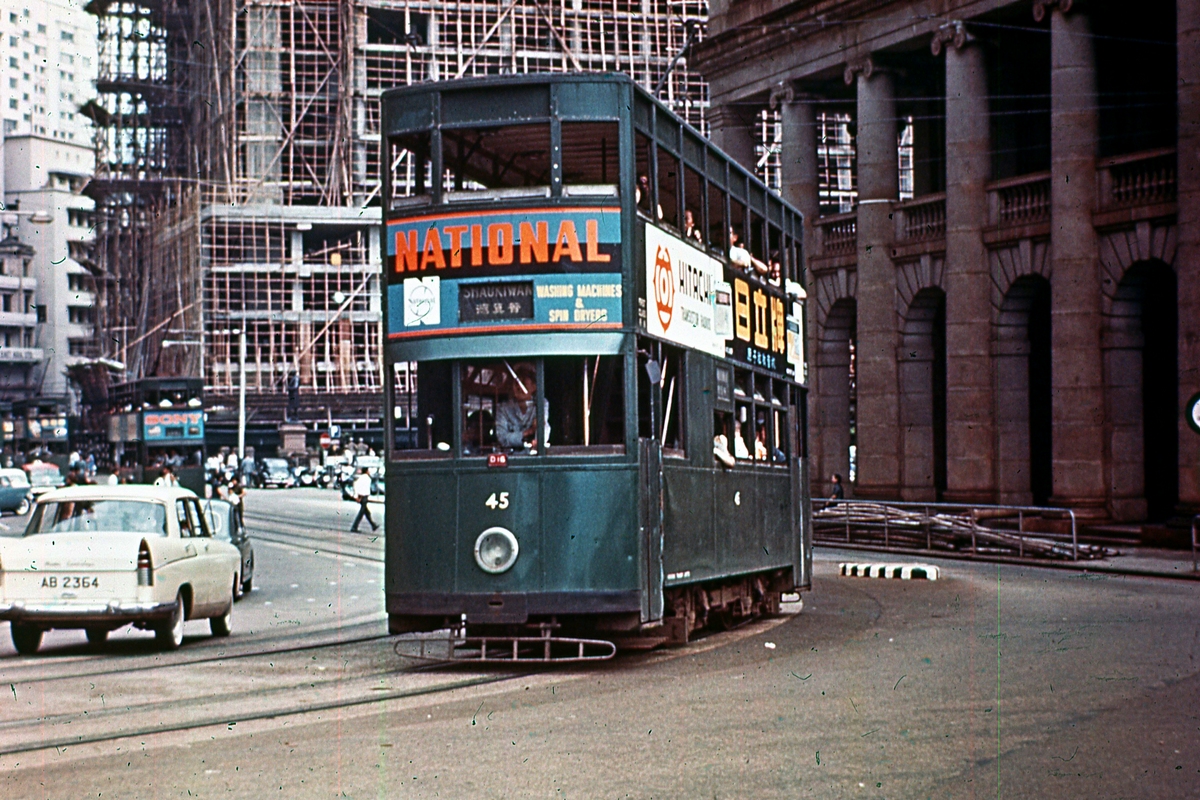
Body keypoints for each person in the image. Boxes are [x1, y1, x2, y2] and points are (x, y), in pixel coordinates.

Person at [350, 467, 377, 533]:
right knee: (361, 513)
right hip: (364, 496)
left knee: (367, 512)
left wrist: (356, 496)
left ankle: (373, 525)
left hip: (361, 496)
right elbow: (364, 488)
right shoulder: (367, 478)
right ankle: (354, 527)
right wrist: (358, 497)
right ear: (366, 471)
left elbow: (356, 485)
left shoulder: (361, 477)